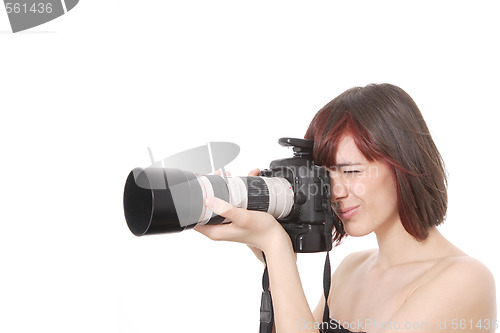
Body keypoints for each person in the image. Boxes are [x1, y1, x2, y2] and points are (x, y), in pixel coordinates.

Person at [194, 83, 497, 333]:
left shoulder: (466, 279)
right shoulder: (351, 269)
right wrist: (274, 260)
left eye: (351, 171)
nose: (335, 192)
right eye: (326, 175)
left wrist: (276, 247)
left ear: (402, 165)